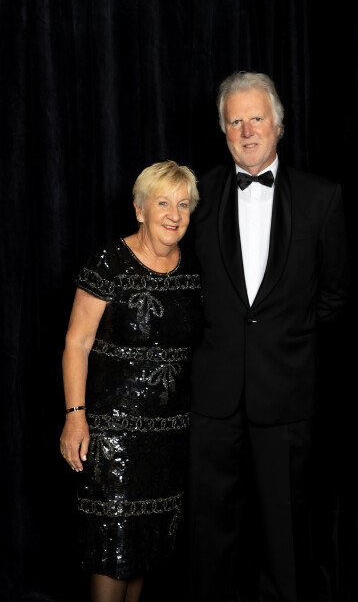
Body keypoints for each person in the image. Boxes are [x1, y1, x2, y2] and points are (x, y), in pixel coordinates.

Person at [189, 71, 350, 602]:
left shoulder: (322, 198)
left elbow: (335, 293)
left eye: (256, 118)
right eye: (235, 121)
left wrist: (287, 337)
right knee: (210, 532)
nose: (247, 131)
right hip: (213, 394)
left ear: (278, 125)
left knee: (285, 532)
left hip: (286, 391)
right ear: (224, 131)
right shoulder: (196, 195)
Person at [60, 160, 202, 602]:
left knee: (146, 548)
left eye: (183, 204)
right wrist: (75, 417)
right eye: (163, 203)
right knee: (113, 548)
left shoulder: (193, 269)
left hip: (169, 436)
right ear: (140, 209)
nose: (174, 215)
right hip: (112, 435)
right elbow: (76, 343)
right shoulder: (108, 262)